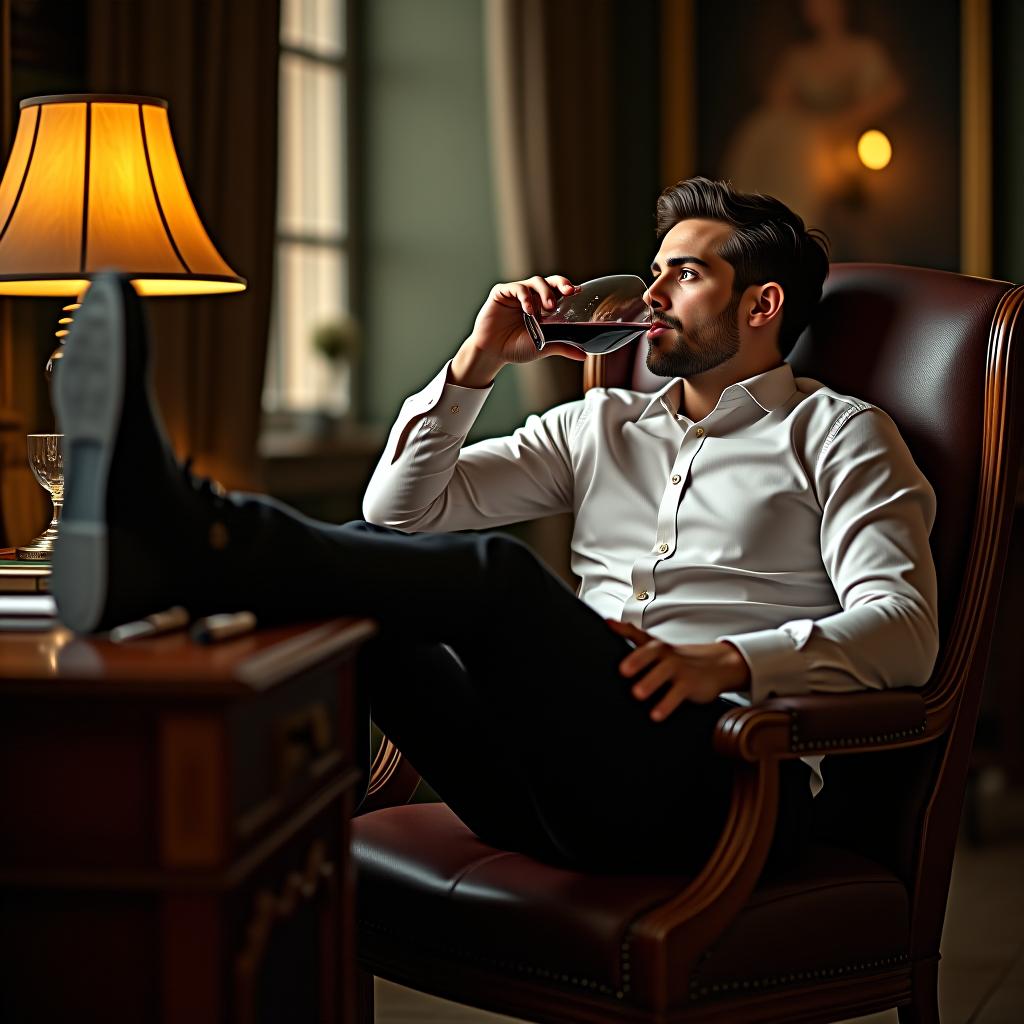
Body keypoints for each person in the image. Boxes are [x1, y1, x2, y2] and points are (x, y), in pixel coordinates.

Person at [51, 177, 938, 875]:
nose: (654, 292)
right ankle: (181, 547)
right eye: (657, 267)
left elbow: (905, 633)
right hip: (552, 786)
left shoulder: (840, 434)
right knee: (366, 617)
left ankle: (187, 536)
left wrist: (728, 661)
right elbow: (397, 512)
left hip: (721, 790)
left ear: (762, 306)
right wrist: (476, 364)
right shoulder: (601, 426)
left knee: (500, 579)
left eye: (687, 272)